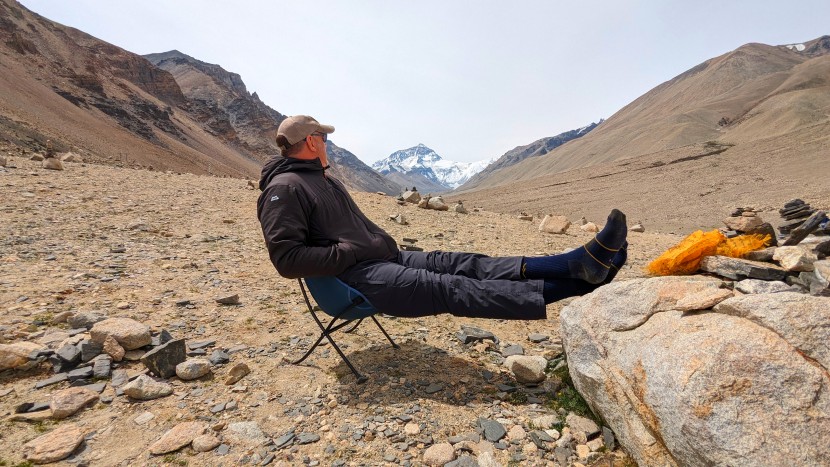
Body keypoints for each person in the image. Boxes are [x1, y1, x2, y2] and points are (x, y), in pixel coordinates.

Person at [257, 115, 628, 320]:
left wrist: (371, 245)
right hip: (357, 278)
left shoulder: (320, 178)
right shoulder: (285, 189)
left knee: (461, 263)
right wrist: (351, 252)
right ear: (310, 142)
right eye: (323, 136)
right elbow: (287, 260)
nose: (327, 142)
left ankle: (577, 263)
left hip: (383, 259)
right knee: (453, 288)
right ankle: (582, 284)